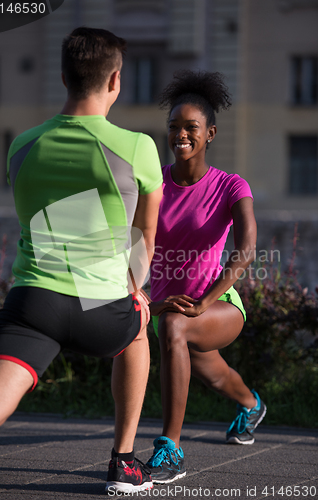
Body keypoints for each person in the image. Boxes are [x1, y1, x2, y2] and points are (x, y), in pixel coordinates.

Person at [0, 27, 163, 495]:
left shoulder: (21, 145)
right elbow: (146, 233)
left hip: (32, 303)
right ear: (116, 80)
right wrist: (134, 287)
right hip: (101, 309)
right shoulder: (138, 147)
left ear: (63, 77)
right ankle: (123, 464)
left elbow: (35, 217)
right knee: (139, 327)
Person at [146, 70, 267, 484]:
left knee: (177, 328)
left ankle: (170, 450)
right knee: (213, 374)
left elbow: (247, 249)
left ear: (210, 133)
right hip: (168, 306)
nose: (180, 134)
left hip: (217, 305)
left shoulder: (231, 186)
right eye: (174, 127)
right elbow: (131, 247)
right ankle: (252, 405)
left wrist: (204, 302)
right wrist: (147, 298)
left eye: (191, 127)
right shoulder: (153, 185)